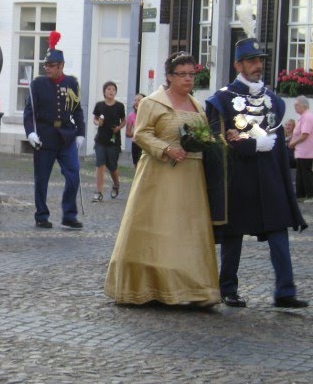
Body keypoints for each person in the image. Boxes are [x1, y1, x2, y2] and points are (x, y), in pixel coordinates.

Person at [104, 52, 219, 307]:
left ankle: (192, 287)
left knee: (186, 230)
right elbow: (141, 135)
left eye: (192, 74)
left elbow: (204, 133)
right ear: (169, 76)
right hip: (159, 175)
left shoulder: (197, 105)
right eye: (182, 74)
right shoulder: (153, 103)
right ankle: (149, 284)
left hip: (190, 176)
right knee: (158, 227)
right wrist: (166, 149)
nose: (188, 79)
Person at [206, 37, 308, 308]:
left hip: (269, 178)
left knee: (279, 233)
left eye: (260, 60)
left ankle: (285, 291)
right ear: (238, 64)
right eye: (251, 61)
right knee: (234, 237)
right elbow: (217, 142)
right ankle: (228, 288)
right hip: (239, 179)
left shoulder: (274, 101)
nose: (257, 65)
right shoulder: (222, 100)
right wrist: (251, 145)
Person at [23, 31, 85, 229]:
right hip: (45, 136)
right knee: (41, 179)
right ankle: (41, 214)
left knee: (73, 175)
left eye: (51, 66)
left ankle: (69, 214)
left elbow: (77, 109)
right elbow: (29, 112)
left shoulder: (71, 83)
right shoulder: (38, 84)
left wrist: (81, 132)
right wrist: (30, 132)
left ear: (61, 66)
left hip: (66, 137)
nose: (47, 69)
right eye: (46, 65)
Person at [91, 81, 125, 202]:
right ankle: (98, 192)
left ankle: (116, 184)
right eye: (109, 89)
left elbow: (123, 120)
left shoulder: (120, 106)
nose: (111, 91)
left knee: (112, 166)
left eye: (113, 89)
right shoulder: (99, 105)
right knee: (100, 164)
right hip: (101, 139)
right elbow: (95, 119)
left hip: (113, 140)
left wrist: (119, 128)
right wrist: (98, 122)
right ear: (104, 91)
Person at [288, 96, 313, 202]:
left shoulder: (307, 117)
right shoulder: (303, 116)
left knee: (305, 173)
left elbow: (305, 134)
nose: (295, 107)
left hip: (306, 151)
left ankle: (310, 195)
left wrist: (293, 143)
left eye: (297, 105)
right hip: (301, 151)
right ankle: (300, 194)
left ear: (303, 105)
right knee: (300, 173)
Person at [125, 93, 145, 168]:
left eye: (139, 100)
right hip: (136, 144)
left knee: (144, 166)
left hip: (146, 143)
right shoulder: (131, 116)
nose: (136, 102)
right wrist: (136, 133)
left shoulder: (148, 115)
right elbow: (127, 133)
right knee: (136, 166)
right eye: (135, 100)